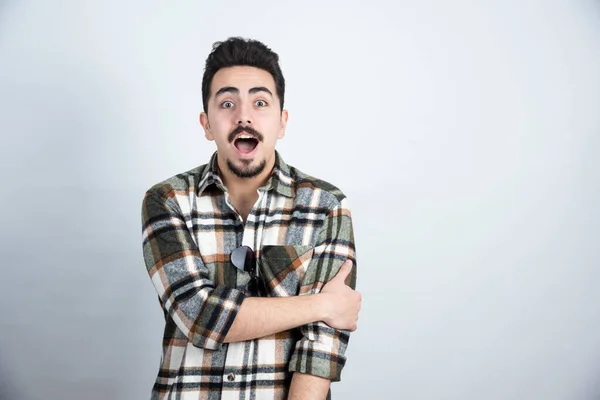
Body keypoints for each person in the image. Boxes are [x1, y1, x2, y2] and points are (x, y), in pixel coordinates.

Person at [141, 37, 361, 400]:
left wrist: (322, 316)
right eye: (227, 103)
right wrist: (323, 304)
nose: (244, 115)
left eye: (260, 102)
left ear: (282, 121)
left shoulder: (326, 205)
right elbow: (198, 316)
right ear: (207, 124)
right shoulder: (167, 200)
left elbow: (321, 348)